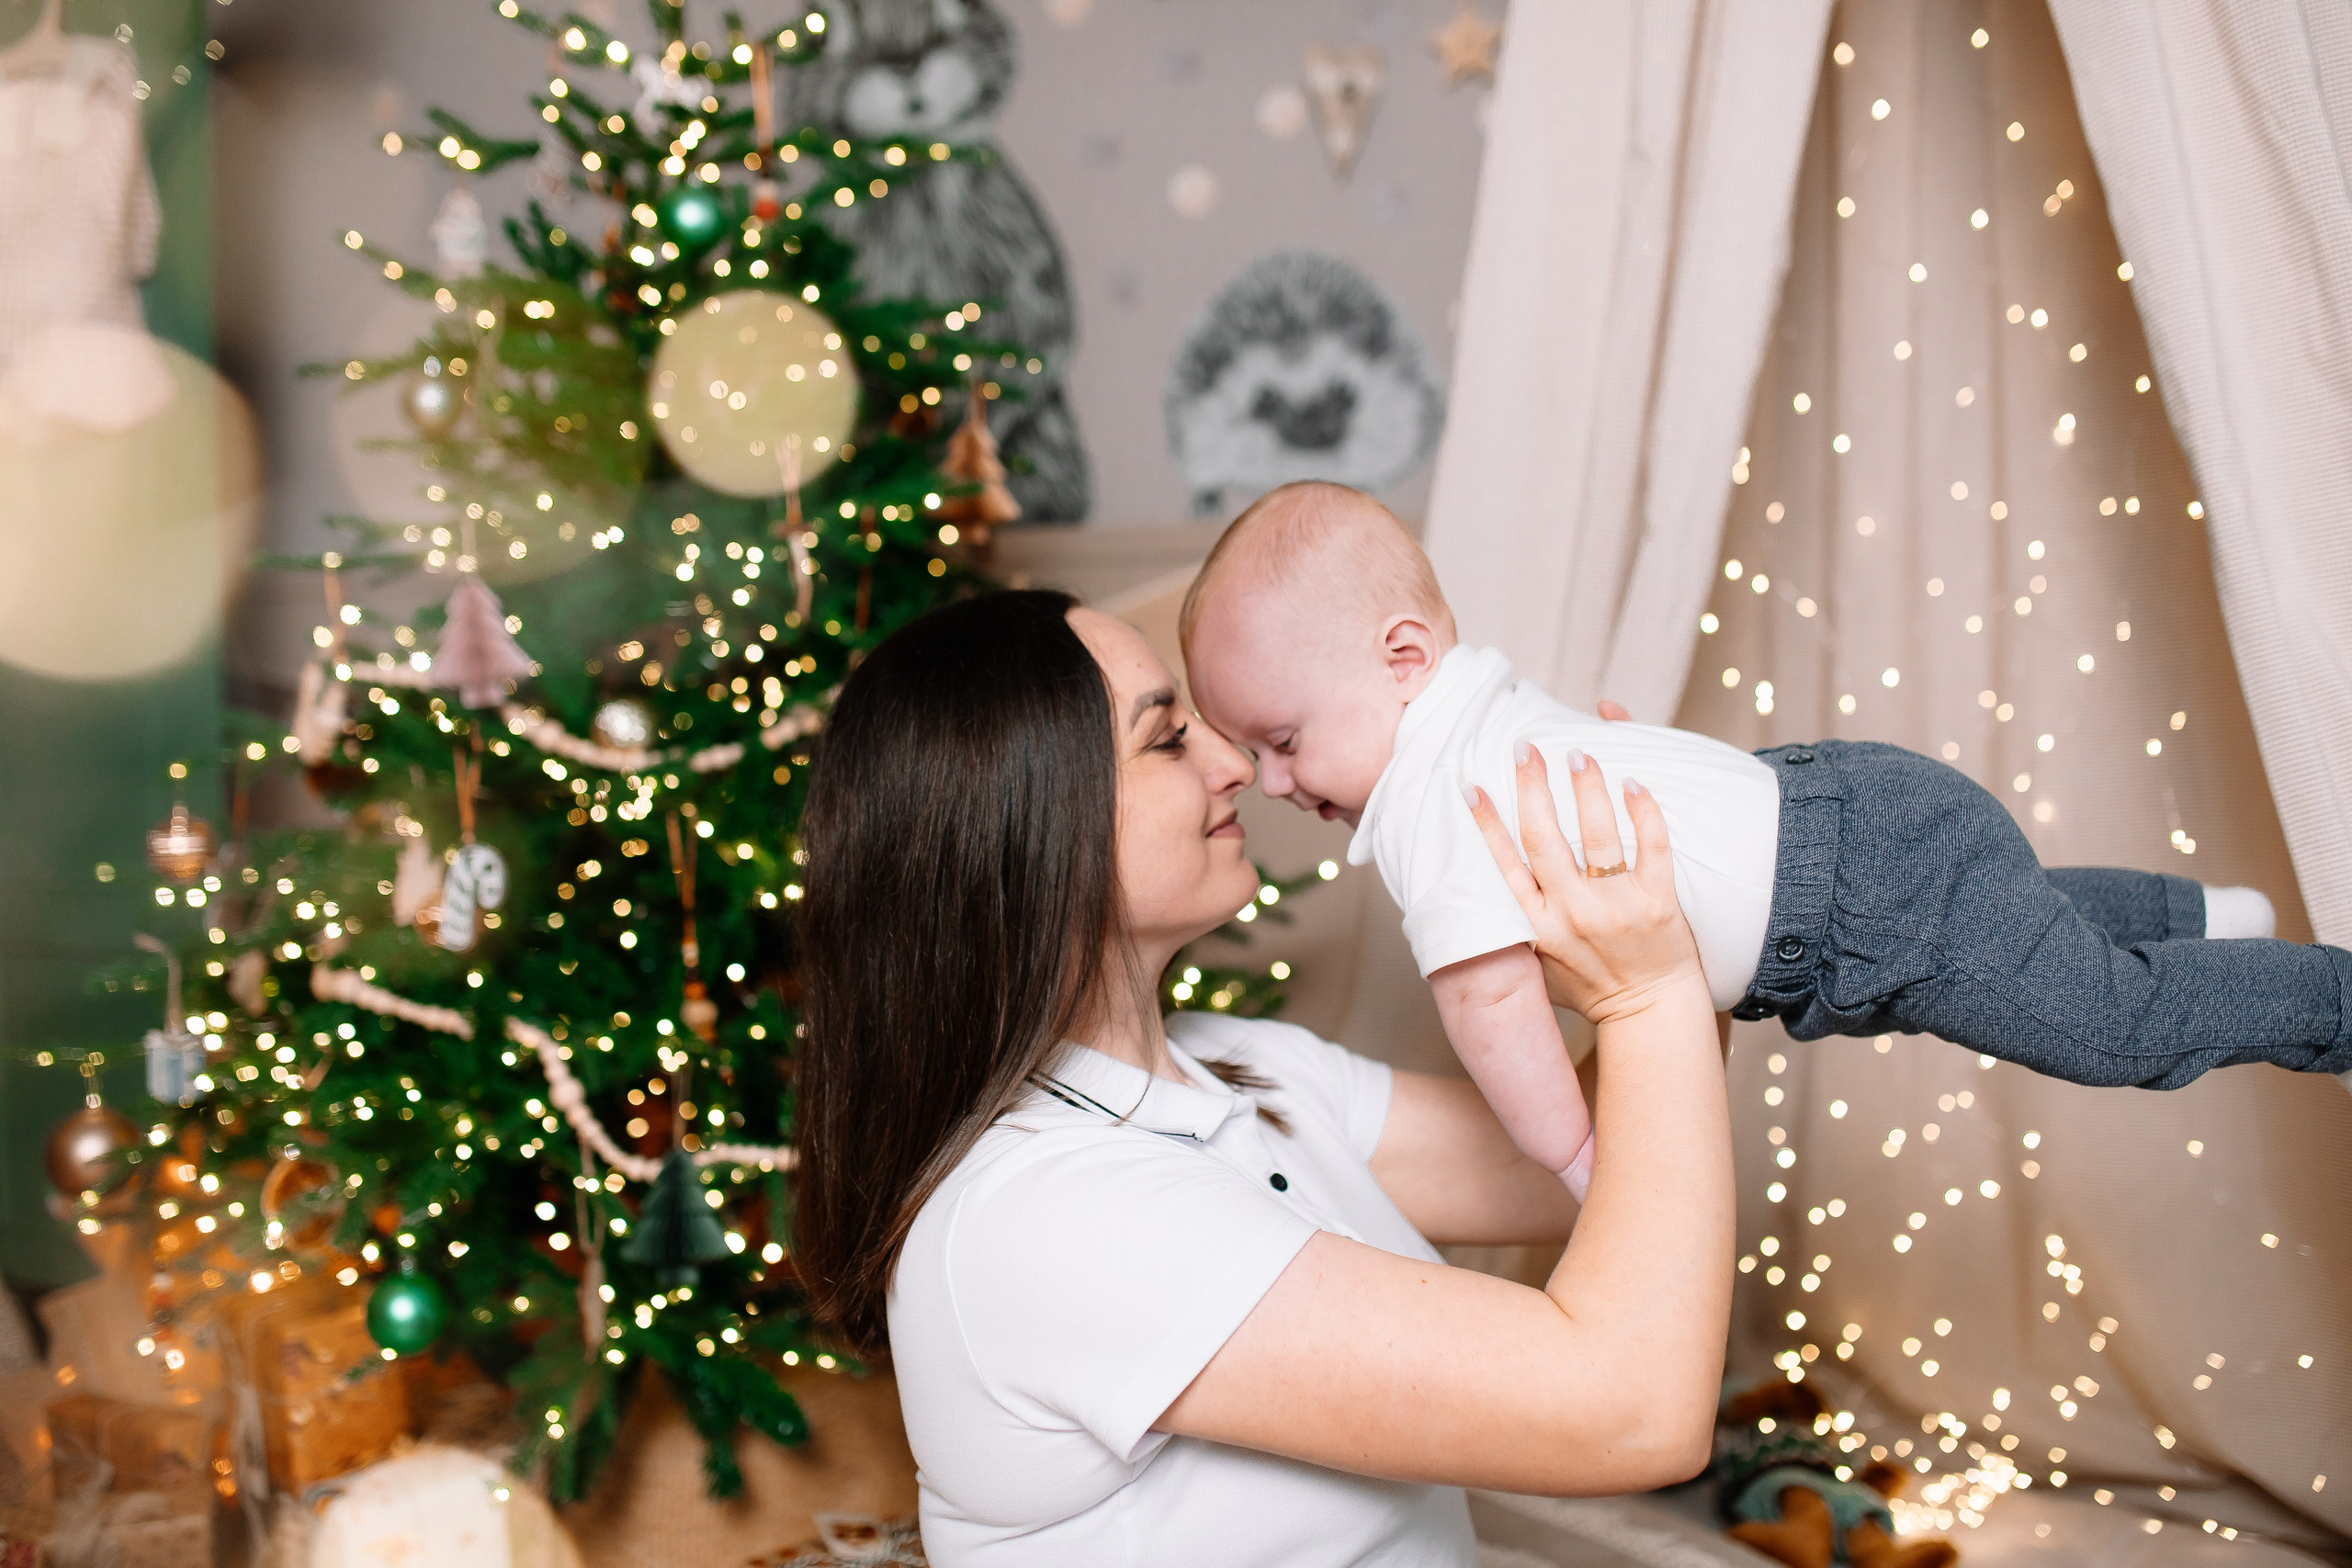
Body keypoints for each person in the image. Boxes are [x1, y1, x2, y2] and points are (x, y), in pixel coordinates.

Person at [792, 590, 1734, 1566]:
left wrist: (1690, 905)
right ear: (1026, 827)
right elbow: (1629, 1409)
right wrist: (1649, 990)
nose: (1234, 763)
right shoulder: (1045, 1214)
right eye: (1165, 740)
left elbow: (1567, 1162)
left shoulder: (1236, 1065)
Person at [1180, 479, 2352, 1195]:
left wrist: (1584, 1164)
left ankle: (2329, 1002)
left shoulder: (1438, 810)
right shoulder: (1479, 710)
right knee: (2019, 912)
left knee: (2108, 1029)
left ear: (1400, 660)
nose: (1271, 780)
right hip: (1849, 808)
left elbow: (1492, 1016)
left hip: (1845, 895)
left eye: (1282, 739)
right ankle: (2198, 918)